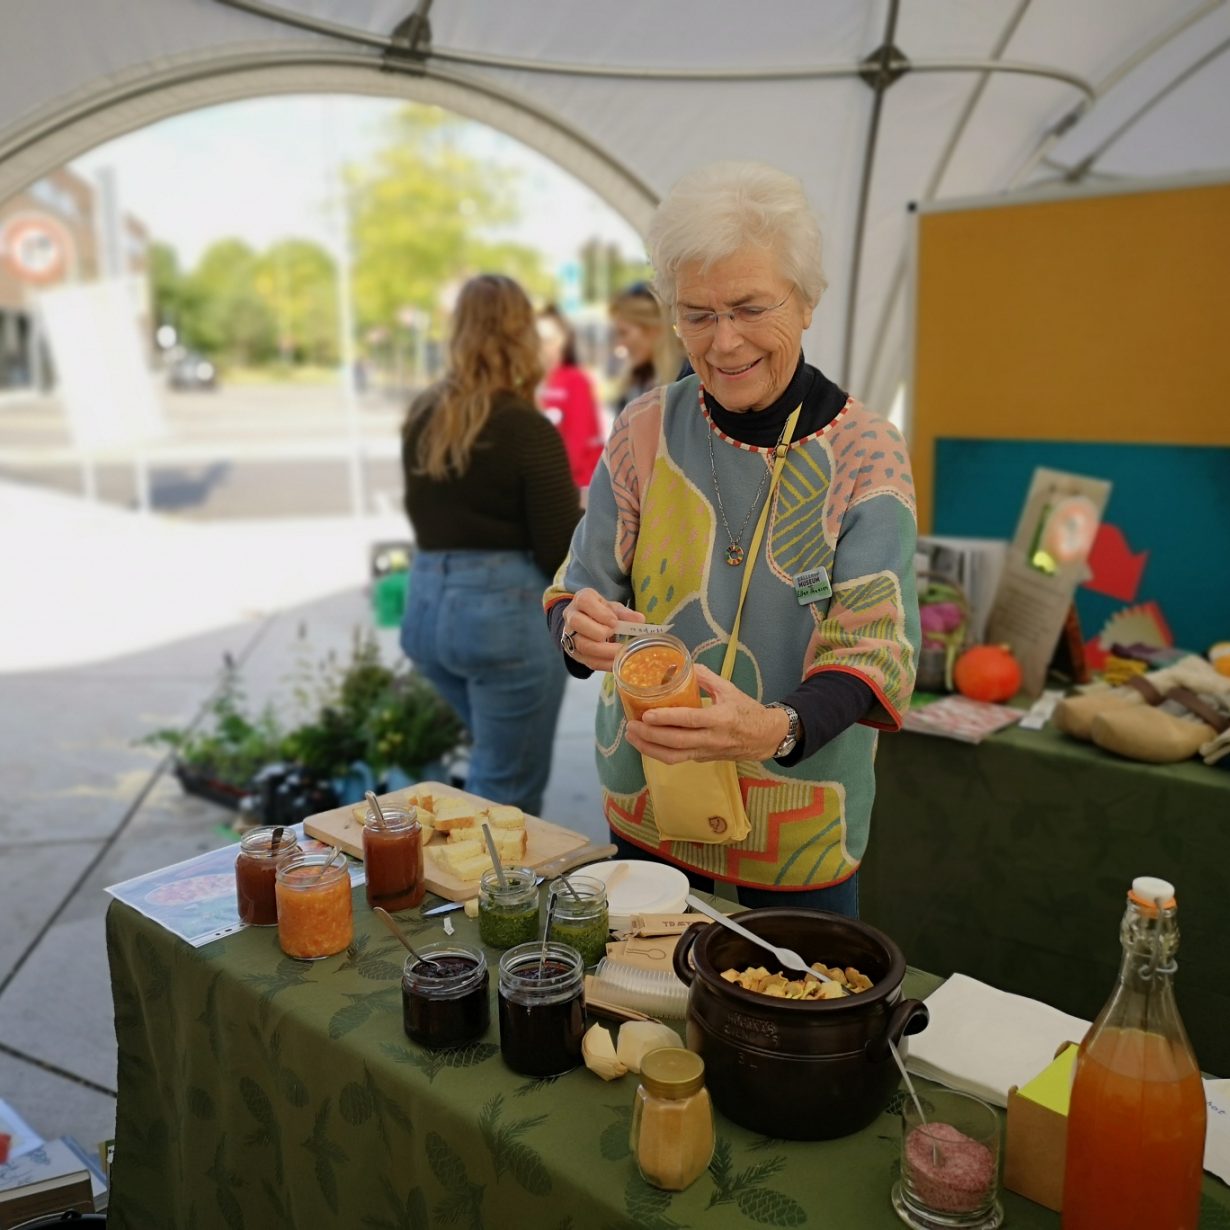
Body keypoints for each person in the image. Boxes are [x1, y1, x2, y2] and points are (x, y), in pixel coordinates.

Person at [545, 162, 920, 916]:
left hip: (797, 832)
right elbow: (575, 585)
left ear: (808, 300)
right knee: (646, 1020)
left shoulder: (865, 453)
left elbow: (874, 652)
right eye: (697, 314)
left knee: (787, 1017)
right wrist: (573, 626)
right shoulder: (645, 429)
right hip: (650, 806)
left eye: (750, 308)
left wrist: (770, 728)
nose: (723, 343)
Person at [401, 274, 581, 815]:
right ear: (521, 335)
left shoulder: (425, 414)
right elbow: (559, 553)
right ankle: (487, 896)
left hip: (428, 609)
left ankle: (459, 880)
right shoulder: (525, 426)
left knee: (490, 767)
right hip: (501, 619)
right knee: (505, 796)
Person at [537, 304, 605, 492]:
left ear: (564, 341)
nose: (544, 347)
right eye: (538, 340)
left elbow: (578, 444)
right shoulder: (529, 381)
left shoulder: (576, 381)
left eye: (550, 340)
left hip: (573, 488)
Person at [608, 282, 684, 414]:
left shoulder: (688, 380)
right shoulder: (635, 380)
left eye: (624, 333)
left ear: (653, 330)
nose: (619, 344)